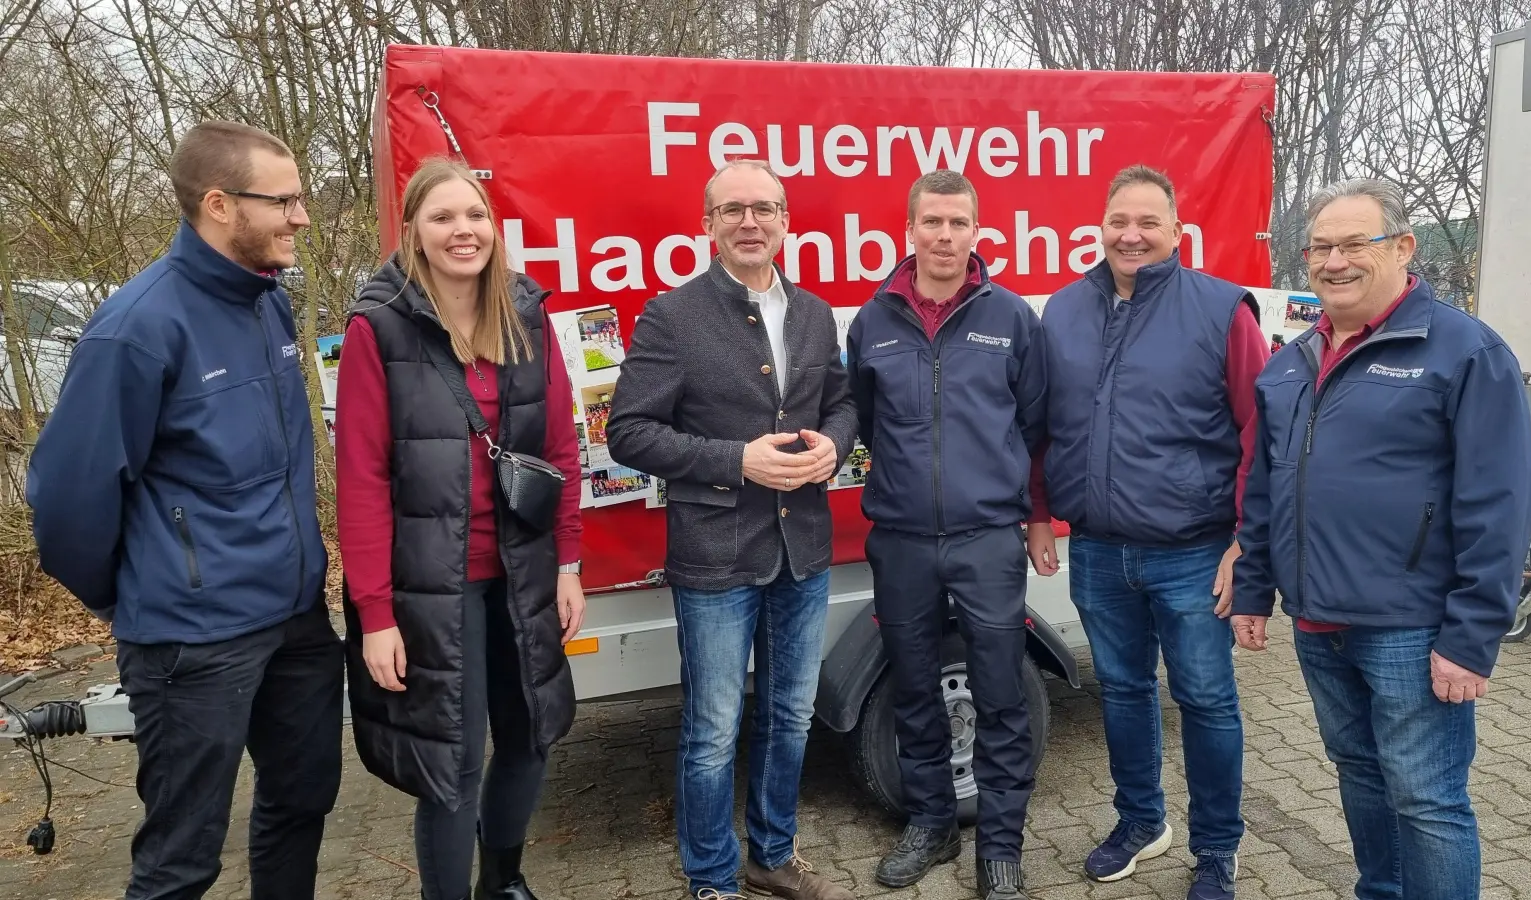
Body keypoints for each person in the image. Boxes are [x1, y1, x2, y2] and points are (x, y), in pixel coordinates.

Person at [26, 121, 342, 900]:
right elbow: (66, 503)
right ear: (219, 205)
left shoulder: (267, 303)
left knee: (302, 803)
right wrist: (139, 592)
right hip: (193, 640)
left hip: (296, 616)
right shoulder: (137, 329)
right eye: (284, 200)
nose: (302, 216)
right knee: (182, 857)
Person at [1231, 178, 1531, 900]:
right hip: (1318, 625)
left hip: (1411, 628)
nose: (1333, 261)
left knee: (1427, 799)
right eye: (1320, 248)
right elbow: (1267, 489)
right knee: (1361, 776)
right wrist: (1251, 587)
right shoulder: (1290, 363)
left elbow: (1501, 503)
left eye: (1353, 244)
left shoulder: (1463, 351)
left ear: (1403, 248)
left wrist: (1471, 636)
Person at [606, 159, 859, 900]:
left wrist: (835, 444)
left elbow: (843, 403)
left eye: (764, 208)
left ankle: (772, 856)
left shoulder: (814, 313)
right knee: (713, 729)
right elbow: (629, 431)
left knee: (791, 716)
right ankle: (712, 877)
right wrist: (735, 460)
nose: (750, 222)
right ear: (707, 224)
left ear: (785, 221)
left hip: (801, 551)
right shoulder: (671, 317)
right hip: (715, 557)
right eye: (733, 210)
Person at [336, 158, 585, 900]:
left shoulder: (526, 315)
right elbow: (360, 481)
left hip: (523, 570)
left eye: (475, 215)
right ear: (412, 230)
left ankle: (502, 880)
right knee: (452, 763)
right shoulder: (377, 328)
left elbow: (560, 448)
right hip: (429, 585)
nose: (463, 230)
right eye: (442, 217)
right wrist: (375, 615)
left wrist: (569, 563)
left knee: (533, 736)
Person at [1026, 164, 1268, 900]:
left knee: (1206, 700)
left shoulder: (1222, 310)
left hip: (1194, 552)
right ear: (1101, 227)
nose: (1131, 236)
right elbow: (1041, 424)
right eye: (1119, 222)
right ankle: (1140, 821)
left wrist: (1247, 539)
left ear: (1177, 231)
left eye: (1148, 223)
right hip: (1099, 549)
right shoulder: (1064, 310)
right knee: (1124, 692)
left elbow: (1260, 434)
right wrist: (1038, 512)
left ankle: (1217, 848)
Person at [843, 169, 1047, 900]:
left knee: (1000, 694)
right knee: (914, 688)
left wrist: (1033, 515)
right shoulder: (872, 322)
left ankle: (1001, 848)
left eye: (958, 223)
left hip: (987, 537)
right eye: (932, 222)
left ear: (976, 231)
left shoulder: (1011, 318)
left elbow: (1035, 425)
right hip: (901, 538)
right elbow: (867, 423)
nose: (945, 236)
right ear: (909, 230)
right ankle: (931, 824)